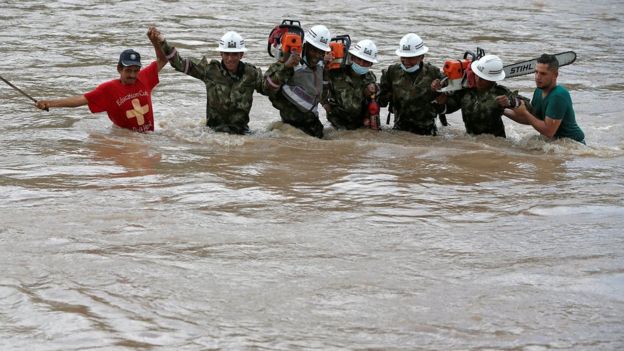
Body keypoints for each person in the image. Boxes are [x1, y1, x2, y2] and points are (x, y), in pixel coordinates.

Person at [35, 27, 167, 133]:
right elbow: (80, 100)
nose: (132, 75)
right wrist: (49, 103)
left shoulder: (143, 77)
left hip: (149, 135)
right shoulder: (108, 89)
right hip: (126, 139)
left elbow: (163, 60)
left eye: (135, 70)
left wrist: (155, 42)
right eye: (128, 70)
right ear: (119, 69)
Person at [155, 28, 265, 134]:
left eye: (234, 54)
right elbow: (179, 64)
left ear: (241, 54)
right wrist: (163, 43)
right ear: (221, 54)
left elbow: (270, 89)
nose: (230, 58)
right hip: (213, 132)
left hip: (241, 132)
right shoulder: (210, 70)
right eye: (226, 54)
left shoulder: (251, 73)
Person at [433, 55, 527, 138]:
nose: (478, 80)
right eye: (477, 75)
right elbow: (447, 109)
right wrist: (441, 99)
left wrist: (512, 102)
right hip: (471, 141)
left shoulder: (499, 93)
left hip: (495, 144)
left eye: (482, 78)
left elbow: (528, 106)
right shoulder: (466, 92)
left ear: (492, 80)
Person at [264, 24, 332, 138]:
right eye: (314, 50)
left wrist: (326, 73)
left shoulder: (321, 66)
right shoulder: (289, 63)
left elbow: (322, 95)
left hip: (313, 127)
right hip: (290, 129)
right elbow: (266, 87)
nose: (317, 55)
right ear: (306, 46)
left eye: (321, 52)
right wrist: (286, 66)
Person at [502, 53, 585, 143]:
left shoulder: (558, 95)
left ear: (555, 75)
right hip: (554, 142)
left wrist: (525, 113)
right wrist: (502, 110)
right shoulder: (538, 91)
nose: (538, 77)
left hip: (572, 145)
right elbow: (532, 120)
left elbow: (548, 132)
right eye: (536, 72)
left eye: (543, 74)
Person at [378, 33, 443, 135]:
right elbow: (381, 101)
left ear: (421, 57)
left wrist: (440, 90)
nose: (406, 61)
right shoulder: (392, 72)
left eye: (411, 58)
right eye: (403, 57)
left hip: (427, 132)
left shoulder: (433, 73)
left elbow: (450, 96)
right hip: (399, 129)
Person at [322, 39, 379, 130]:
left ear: (371, 64)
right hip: (336, 124)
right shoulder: (335, 73)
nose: (361, 64)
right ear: (352, 57)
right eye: (359, 59)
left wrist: (375, 90)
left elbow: (374, 102)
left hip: (360, 125)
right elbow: (319, 88)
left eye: (366, 62)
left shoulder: (370, 78)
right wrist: (326, 106)